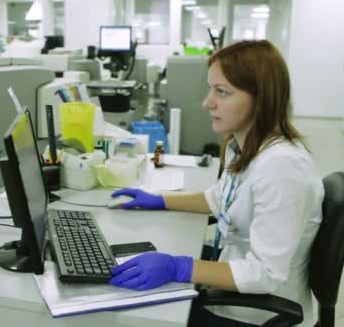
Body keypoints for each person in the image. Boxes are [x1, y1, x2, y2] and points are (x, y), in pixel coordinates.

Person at [109, 40, 324, 327]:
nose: (207, 102)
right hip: (231, 285)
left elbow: (265, 273)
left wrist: (178, 267)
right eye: (211, 89)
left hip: (255, 311)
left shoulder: (281, 168)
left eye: (221, 92)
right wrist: (158, 199)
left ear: (261, 98)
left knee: (131, 317)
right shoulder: (244, 144)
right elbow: (219, 198)